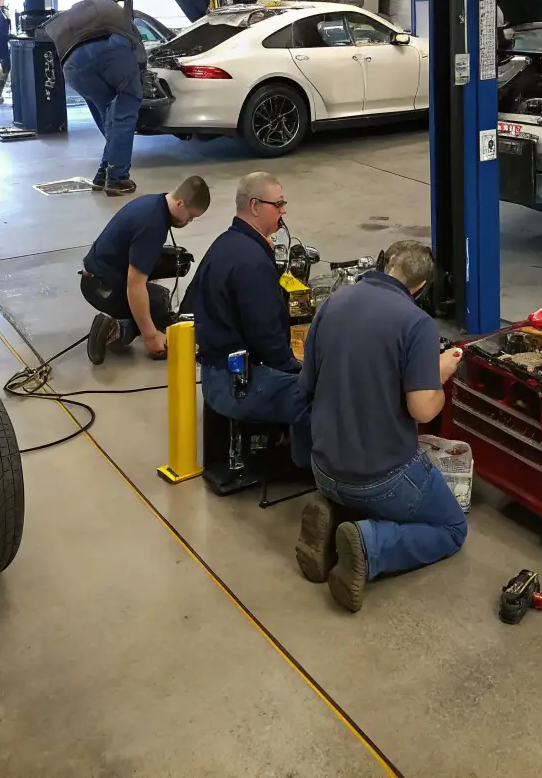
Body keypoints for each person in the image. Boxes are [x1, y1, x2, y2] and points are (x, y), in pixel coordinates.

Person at [294, 240, 466, 613]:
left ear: (382, 264)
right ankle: (371, 546)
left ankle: (334, 518)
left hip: (323, 468)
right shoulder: (416, 322)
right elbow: (422, 410)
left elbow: (305, 385)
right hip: (380, 479)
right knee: (452, 529)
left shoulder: (334, 303)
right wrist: (438, 377)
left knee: (355, 491)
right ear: (420, 287)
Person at [186, 171, 310, 467]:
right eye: (278, 204)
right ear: (255, 206)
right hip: (239, 387)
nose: (284, 211)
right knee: (327, 392)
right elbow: (270, 345)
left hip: (216, 375)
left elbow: (190, 303)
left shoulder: (224, 244)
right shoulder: (253, 263)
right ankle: (318, 472)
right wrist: (304, 369)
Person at [82, 175, 210, 363]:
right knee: (158, 307)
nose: (188, 222)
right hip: (102, 289)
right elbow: (135, 286)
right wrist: (150, 336)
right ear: (181, 204)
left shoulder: (152, 203)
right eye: (190, 216)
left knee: (160, 297)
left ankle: (126, 324)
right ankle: (115, 330)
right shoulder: (153, 226)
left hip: (97, 276)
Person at [43, 0, 147, 196]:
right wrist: (138, 82)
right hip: (112, 49)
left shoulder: (79, 17)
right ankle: (117, 179)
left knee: (108, 114)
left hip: (71, 63)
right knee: (125, 112)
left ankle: (102, 175)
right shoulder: (119, 17)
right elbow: (139, 53)